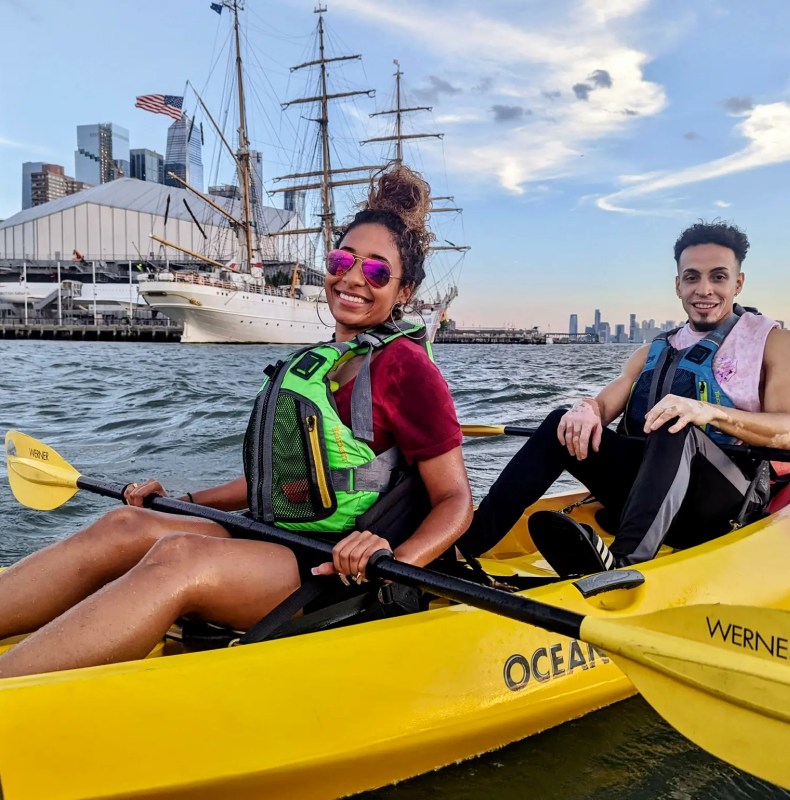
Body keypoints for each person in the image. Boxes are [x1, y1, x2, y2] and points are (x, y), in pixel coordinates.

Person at [0, 165, 473, 678]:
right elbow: (285, 481)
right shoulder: (324, 358)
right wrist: (186, 501)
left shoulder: (408, 370)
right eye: (343, 259)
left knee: (180, 557)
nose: (354, 277)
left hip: (330, 564)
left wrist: (394, 558)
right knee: (124, 524)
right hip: (274, 534)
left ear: (404, 292)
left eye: (378, 271)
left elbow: (455, 500)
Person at [458, 221, 790, 577]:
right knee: (561, 421)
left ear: (737, 283)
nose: (704, 289)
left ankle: (622, 567)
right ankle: (464, 547)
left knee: (675, 424)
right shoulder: (652, 350)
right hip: (645, 501)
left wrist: (706, 411)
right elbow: (602, 408)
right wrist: (585, 409)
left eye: (718, 277)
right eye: (692, 277)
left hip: (720, 508)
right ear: (678, 285)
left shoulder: (776, 342)